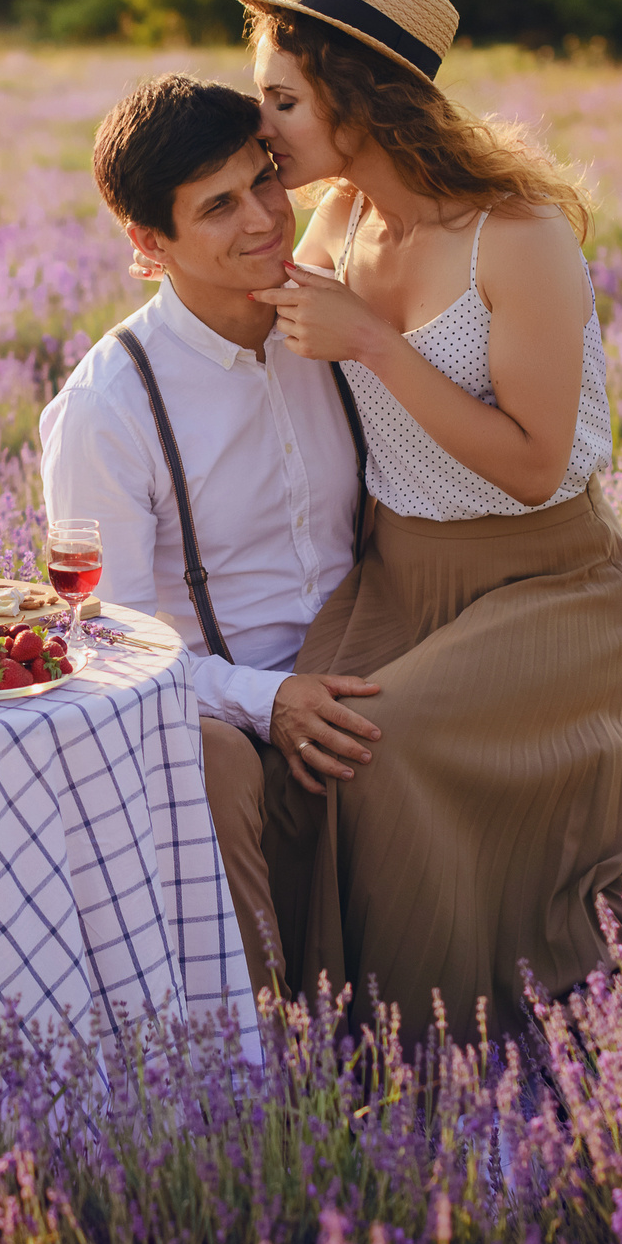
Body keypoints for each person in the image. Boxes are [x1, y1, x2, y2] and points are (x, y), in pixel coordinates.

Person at [231, 0, 622, 1040]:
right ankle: (303, 1035)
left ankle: (426, 1049)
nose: (263, 127)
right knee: (294, 751)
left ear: (357, 98)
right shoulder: (336, 221)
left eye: (281, 100)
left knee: (379, 752)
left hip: (542, 589)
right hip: (393, 577)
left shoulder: (512, 239)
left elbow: (531, 463)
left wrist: (375, 342)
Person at [37, 73, 384, 995]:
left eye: (263, 179)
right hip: (210, 704)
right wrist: (265, 699)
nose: (266, 217)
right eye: (219, 206)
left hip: (361, 656)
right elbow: (103, 644)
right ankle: (253, 1066)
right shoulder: (109, 407)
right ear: (150, 244)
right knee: (214, 757)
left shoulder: (333, 324)